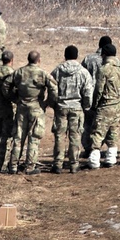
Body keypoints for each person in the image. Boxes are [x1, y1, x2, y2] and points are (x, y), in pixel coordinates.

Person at [6, 50, 58, 173]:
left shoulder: (19, 72)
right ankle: (30, 167)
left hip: (22, 107)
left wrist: (14, 99)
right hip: (36, 108)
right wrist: (48, 102)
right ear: (38, 60)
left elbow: (6, 85)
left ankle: (13, 166)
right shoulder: (43, 74)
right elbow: (54, 88)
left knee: (18, 137)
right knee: (34, 138)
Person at [51, 45, 95, 173]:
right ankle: (74, 164)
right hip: (77, 108)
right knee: (75, 136)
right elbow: (88, 91)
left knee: (59, 136)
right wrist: (86, 106)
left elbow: (52, 88)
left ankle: (57, 164)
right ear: (76, 56)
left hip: (61, 107)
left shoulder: (58, 70)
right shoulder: (83, 72)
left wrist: (55, 103)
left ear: (65, 56)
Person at [86, 41, 120, 170]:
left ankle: (94, 161)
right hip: (117, 104)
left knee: (97, 132)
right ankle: (111, 158)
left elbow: (99, 89)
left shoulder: (104, 70)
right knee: (113, 132)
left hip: (105, 105)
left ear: (104, 55)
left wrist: (95, 104)